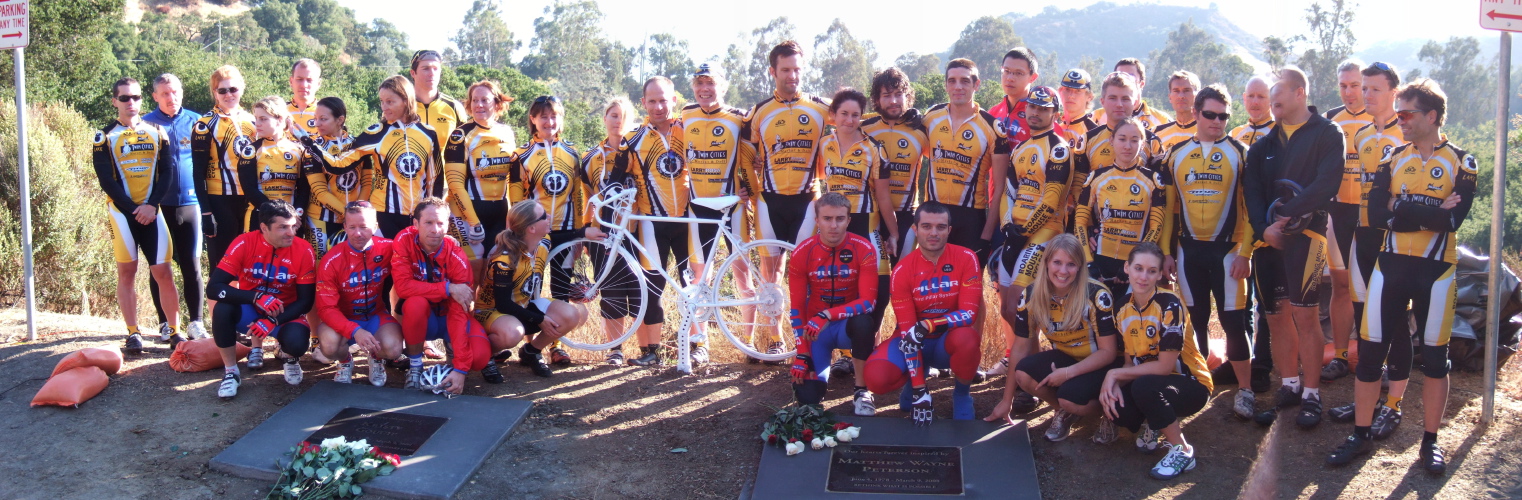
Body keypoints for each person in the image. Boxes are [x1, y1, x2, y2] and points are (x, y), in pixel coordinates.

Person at [1327, 78, 1475, 473]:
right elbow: (1377, 215)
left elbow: (1453, 221)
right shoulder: (1392, 157)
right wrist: (1429, 211)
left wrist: (1400, 205)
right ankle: (1359, 436)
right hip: (1389, 267)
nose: (1400, 119)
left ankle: (1429, 442)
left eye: (1407, 114)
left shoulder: (1463, 161)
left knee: (1435, 362)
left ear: (1432, 116)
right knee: (1371, 353)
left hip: (1437, 272)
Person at [1241, 67, 1345, 428]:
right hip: (1268, 239)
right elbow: (1251, 192)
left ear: (1300, 92)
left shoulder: (1328, 133)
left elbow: (1328, 182)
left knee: (1304, 314)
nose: (1272, 99)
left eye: (1278, 92)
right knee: (1275, 316)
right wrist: (1263, 228)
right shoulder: (1263, 145)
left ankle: (1312, 394)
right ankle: (1289, 385)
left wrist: (1286, 214)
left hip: (1308, 235)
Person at [1163, 84, 1256, 419]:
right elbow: (1170, 211)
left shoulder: (1241, 152)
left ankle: (1245, 390)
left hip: (1229, 251)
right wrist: (1167, 253)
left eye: (1224, 116)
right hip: (1189, 252)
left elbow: (1253, 210)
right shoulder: (1175, 154)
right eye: (1210, 115)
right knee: (1195, 321)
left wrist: (1246, 252)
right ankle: (1202, 383)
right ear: (1196, 113)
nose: (1217, 121)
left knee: (1233, 322)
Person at [986, 86, 1073, 416]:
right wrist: (1009, 224)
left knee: (1021, 308)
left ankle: (1037, 381)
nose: (1035, 113)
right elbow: (1009, 191)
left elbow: (1052, 200)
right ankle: (1034, 373)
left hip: (1043, 235)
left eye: (1043, 108)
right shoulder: (1020, 147)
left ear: (1055, 113)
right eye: (1030, 108)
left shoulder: (1059, 149)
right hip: (1015, 234)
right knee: (1010, 312)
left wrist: (1025, 229)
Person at [1328, 62, 1408, 425]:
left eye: (1374, 89)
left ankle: (1392, 406)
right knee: (1364, 318)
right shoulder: (1359, 135)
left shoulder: (1405, 133)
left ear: (1394, 92)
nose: (1366, 95)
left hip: (1396, 241)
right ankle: (1368, 400)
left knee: (1392, 319)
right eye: (1365, 88)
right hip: (1362, 235)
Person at [986, 234, 1121, 444]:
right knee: (1024, 373)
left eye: (1071, 264)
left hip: (1099, 363)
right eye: (1057, 262)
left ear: (1080, 267)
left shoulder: (1096, 294)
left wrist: (1067, 373)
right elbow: (1020, 348)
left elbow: (1109, 352)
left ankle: (1108, 412)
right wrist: (1006, 400)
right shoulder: (1031, 295)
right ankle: (1065, 411)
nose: (1063, 271)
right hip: (1066, 356)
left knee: (1070, 397)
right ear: (1046, 262)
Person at [744, 40, 831, 359]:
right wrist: (746, 188)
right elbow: (744, 155)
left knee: (807, 273)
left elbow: (855, 117)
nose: (792, 76)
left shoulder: (822, 108)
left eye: (796, 69)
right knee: (771, 270)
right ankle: (775, 339)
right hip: (770, 201)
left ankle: (805, 340)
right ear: (772, 71)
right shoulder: (760, 111)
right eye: (785, 70)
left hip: (808, 199)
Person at [1100, 242, 1214, 480]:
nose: (1143, 276)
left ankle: (1182, 450)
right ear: (1127, 268)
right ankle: (1154, 422)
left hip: (1189, 384)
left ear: (1160, 274)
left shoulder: (1170, 304)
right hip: (1152, 383)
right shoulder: (1121, 308)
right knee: (1119, 407)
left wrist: (1114, 375)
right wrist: (1112, 385)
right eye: (1138, 268)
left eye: (1152, 271)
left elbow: (1163, 367)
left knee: (1143, 385)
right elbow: (1131, 363)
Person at [864, 202, 983, 424]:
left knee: (968, 337)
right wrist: (920, 390)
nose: (933, 233)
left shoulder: (967, 258)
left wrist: (928, 325)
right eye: (926, 226)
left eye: (940, 227)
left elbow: (968, 314)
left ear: (949, 230)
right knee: (875, 379)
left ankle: (962, 394)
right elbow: (908, 331)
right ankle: (914, 381)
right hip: (912, 339)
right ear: (916, 230)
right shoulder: (901, 270)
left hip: (946, 342)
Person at [95, 77, 182, 354]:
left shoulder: (158, 131)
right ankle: (133, 333)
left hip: (152, 211)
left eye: (135, 97)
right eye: (124, 98)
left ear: (142, 99)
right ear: (114, 101)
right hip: (122, 214)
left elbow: (168, 172)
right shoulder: (104, 136)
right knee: (127, 272)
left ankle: (175, 330)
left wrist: (151, 205)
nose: (130, 103)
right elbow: (105, 179)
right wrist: (134, 209)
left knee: (164, 272)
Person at [682, 64, 758, 365]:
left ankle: (749, 343)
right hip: (698, 207)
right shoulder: (685, 115)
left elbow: (757, 156)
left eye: (710, 83)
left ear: (722, 86)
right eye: (699, 83)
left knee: (742, 272)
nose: (705, 89)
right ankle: (701, 343)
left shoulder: (739, 118)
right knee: (701, 277)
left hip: (732, 206)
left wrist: (750, 191)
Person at [615, 76, 693, 367]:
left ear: (674, 100)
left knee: (692, 286)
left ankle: (697, 346)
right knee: (652, 287)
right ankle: (651, 351)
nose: (658, 106)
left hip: (688, 221)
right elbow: (616, 177)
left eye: (664, 100)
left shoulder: (688, 130)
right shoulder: (633, 139)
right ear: (643, 103)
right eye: (652, 101)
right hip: (652, 223)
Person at [306, 76, 443, 238]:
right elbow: (338, 165)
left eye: (390, 101)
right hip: (384, 213)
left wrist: (432, 213)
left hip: (418, 216)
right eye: (381, 101)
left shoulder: (428, 133)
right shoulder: (376, 132)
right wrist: (310, 143)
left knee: (413, 262)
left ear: (406, 100)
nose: (384, 107)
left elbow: (435, 179)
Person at [207, 200, 317, 398]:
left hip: (285, 312)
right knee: (222, 309)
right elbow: (214, 289)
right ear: (264, 228)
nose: (290, 233)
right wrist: (256, 297)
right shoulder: (244, 242)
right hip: (251, 310)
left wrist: (272, 320)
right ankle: (231, 372)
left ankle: (290, 358)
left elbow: (305, 302)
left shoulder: (304, 249)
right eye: (282, 227)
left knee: (297, 343)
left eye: (293, 226)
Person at [787, 193, 880, 413]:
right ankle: (818, 372)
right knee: (806, 397)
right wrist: (801, 353)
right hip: (815, 332)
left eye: (840, 219)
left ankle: (861, 390)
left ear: (849, 220)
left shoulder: (864, 248)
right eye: (827, 219)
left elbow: (868, 302)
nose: (833, 225)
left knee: (865, 323)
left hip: (845, 324)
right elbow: (796, 308)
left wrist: (827, 315)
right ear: (817, 220)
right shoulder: (802, 252)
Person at [477, 200, 592, 378]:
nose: (549, 218)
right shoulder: (504, 259)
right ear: (531, 228)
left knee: (573, 314)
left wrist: (585, 232)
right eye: (543, 216)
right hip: (493, 311)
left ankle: (531, 351)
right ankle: (485, 355)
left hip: (522, 307)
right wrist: (539, 319)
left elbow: (562, 237)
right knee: (512, 334)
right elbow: (504, 304)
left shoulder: (542, 240)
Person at [390, 197, 494, 394]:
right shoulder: (404, 241)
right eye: (428, 222)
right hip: (423, 319)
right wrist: (448, 288)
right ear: (416, 224)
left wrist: (462, 369)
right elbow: (403, 287)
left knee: (479, 358)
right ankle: (415, 366)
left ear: (448, 224)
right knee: (414, 304)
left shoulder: (456, 254)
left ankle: (453, 356)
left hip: (449, 317)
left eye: (440, 223)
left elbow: (459, 310)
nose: (435, 229)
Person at [921, 58, 1011, 265]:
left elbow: (999, 187)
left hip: (970, 217)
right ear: (946, 85)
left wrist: (986, 236)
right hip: (933, 214)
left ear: (976, 84)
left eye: (964, 81)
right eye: (952, 81)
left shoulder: (992, 127)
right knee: (931, 284)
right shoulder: (930, 118)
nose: (958, 87)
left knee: (968, 288)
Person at [1073, 115, 1173, 300]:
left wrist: (1132, 262)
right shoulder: (1096, 177)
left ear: (1143, 144)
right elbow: (1079, 220)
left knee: (1127, 322)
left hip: (1134, 267)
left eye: (1134, 140)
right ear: (1111, 141)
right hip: (1099, 260)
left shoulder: (1153, 181)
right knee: (1097, 323)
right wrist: (1088, 262)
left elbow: (1156, 227)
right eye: (1122, 139)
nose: (1128, 146)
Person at [143, 73, 208, 344]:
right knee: (159, 267)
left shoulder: (197, 121)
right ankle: (165, 324)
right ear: (155, 96)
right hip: (157, 206)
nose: (172, 98)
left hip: (191, 204)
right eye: (165, 94)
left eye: (176, 92)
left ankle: (196, 322)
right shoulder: (145, 123)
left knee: (192, 266)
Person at [580, 96, 642, 366]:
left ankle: (645, 349)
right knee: (611, 290)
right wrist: (586, 231)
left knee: (639, 291)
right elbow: (584, 197)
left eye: (624, 116)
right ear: (604, 118)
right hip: (603, 233)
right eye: (613, 115)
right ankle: (615, 349)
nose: (618, 121)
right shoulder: (590, 158)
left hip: (636, 230)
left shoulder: (638, 152)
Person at [1321, 60, 1373, 383]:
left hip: (1369, 216)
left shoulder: (1381, 119)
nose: (1350, 92)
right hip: (1337, 213)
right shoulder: (1330, 120)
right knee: (1341, 286)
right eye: (1344, 86)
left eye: (1356, 85)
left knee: (1370, 289)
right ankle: (1340, 355)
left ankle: (1371, 358)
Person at [314, 201, 403, 386]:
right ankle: (345, 361)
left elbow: (415, 245)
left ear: (375, 226)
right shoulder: (331, 260)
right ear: (344, 226)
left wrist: (448, 240)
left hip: (375, 315)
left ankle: (375, 357)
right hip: (344, 317)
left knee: (394, 349)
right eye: (352, 227)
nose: (358, 233)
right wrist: (355, 331)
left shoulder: (388, 248)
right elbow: (326, 308)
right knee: (329, 346)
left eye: (363, 226)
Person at [444, 79, 517, 276]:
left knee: (493, 272)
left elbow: (513, 179)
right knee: (470, 273)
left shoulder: (507, 133)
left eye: (484, 100)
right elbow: (455, 184)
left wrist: (512, 215)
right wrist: (474, 222)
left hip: (499, 210)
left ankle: (486, 308)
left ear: (497, 103)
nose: (479, 105)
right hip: (467, 211)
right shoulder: (461, 135)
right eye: (474, 100)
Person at [240, 97, 336, 235]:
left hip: (292, 220)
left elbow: (304, 189)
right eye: (256, 118)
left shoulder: (298, 149)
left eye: (263, 119)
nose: (257, 123)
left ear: (280, 120)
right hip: (260, 218)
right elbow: (249, 189)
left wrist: (297, 213)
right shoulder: (250, 150)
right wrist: (276, 214)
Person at [192, 65, 257, 267]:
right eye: (222, 90)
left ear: (242, 89)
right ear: (215, 93)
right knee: (222, 266)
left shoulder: (254, 120)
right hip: (220, 200)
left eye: (233, 89)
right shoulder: (204, 124)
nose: (229, 94)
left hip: (250, 198)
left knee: (248, 264)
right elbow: (197, 172)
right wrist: (205, 212)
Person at [862, 67, 926, 261]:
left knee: (903, 277)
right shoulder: (863, 127)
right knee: (873, 276)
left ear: (908, 96)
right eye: (887, 95)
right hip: (870, 212)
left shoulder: (922, 128)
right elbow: (837, 111)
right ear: (876, 99)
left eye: (899, 94)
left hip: (906, 214)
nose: (893, 101)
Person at [1075, 72, 1165, 210]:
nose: (1119, 104)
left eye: (1125, 99)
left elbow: (1161, 191)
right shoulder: (1088, 140)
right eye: (1113, 98)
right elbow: (1078, 188)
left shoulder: (1152, 142)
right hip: (1096, 226)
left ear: (1135, 102)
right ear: (1102, 101)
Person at [304, 97, 367, 254]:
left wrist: (357, 213)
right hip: (321, 219)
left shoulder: (359, 145)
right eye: (315, 119)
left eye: (323, 119)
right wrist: (347, 213)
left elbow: (367, 183)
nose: (317, 124)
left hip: (355, 220)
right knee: (321, 269)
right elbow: (320, 191)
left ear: (340, 120)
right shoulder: (313, 148)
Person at [411, 49, 469, 170]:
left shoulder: (454, 107)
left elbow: (467, 147)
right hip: (408, 184)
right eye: (425, 68)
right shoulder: (401, 106)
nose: (431, 73)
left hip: (445, 185)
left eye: (435, 68)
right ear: (413, 73)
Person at [1094, 58, 1172, 129]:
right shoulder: (1096, 117)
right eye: (1120, 76)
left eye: (1130, 76)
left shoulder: (1162, 120)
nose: (1124, 79)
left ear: (1142, 84)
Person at [988, 48, 1044, 147]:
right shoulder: (993, 113)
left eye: (1019, 73)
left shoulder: (1041, 117)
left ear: (1033, 77)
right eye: (1006, 71)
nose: (1010, 78)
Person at [1153, 71, 1200, 151]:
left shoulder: (1209, 132)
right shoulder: (1156, 134)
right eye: (1176, 91)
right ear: (1170, 97)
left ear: (1198, 95)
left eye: (1186, 90)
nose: (1181, 96)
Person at [1057, 69, 1099, 152]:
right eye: (1067, 89)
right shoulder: (1055, 128)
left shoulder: (1094, 132)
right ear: (1060, 92)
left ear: (1089, 97)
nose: (1071, 96)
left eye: (1078, 91)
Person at [1230, 76, 1276, 147]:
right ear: (1244, 98)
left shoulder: (1281, 133)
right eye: (1250, 96)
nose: (1255, 102)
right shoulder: (1234, 134)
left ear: (1272, 99)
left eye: (1261, 96)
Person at [287, 59, 322, 137]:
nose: (304, 85)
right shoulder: (278, 112)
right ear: (291, 81)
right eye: (299, 79)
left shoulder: (329, 114)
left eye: (309, 80)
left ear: (318, 83)